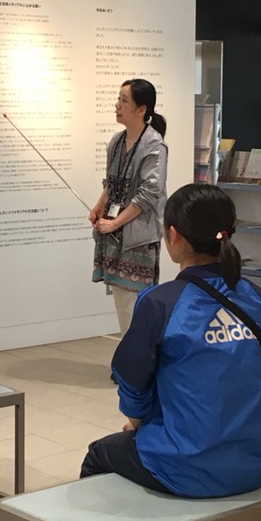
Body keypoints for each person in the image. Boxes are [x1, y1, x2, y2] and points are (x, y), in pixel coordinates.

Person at [34, 183, 261, 521]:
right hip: (258, 459)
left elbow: (132, 379)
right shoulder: (254, 296)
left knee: (102, 456)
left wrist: (138, 418)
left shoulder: (162, 302)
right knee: (151, 443)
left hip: (193, 463)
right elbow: (256, 363)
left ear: (173, 237)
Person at [90, 78, 167, 332]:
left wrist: (115, 223)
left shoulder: (154, 144)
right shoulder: (116, 141)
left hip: (138, 237)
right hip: (115, 234)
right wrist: (99, 206)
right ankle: (129, 351)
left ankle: (137, 353)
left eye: (124, 101)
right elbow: (111, 182)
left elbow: (149, 194)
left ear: (141, 109)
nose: (117, 105)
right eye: (118, 99)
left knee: (136, 303)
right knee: (122, 302)